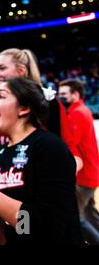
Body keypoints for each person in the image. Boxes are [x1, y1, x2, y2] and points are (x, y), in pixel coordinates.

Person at [0, 77, 83, 244]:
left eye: (1, 96)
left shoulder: (50, 147)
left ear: (24, 108)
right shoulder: (1, 153)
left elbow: (45, 228)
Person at [0, 48, 82, 170]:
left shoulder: (49, 102)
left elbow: (71, 152)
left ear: (21, 71)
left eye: (2, 68)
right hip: (5, 179)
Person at [59, 79, 99, 244]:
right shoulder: (84, 110)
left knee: (76, 217)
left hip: (83, 175)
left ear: (75, 95)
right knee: (90, 213)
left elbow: (70, 143)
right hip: (90, 172)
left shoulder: (76, 113)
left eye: (63, 94)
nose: (60, 98)